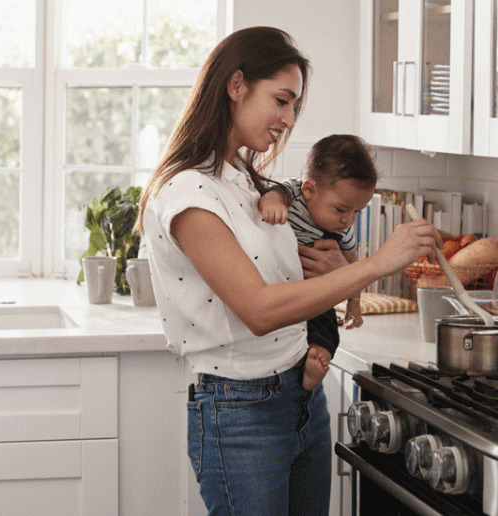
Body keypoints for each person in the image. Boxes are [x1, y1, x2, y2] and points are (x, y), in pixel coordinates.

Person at [134, 26, 440, 516]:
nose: (288, 118)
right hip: (241, 413)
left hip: (300, 396)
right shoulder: (188, 194)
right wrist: (377, 265)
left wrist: (337, 268)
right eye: (281, 100)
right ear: (236, 86)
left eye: (294, 105)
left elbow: (286, 280)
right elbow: (258, 309)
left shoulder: (242, 179)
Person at [259, 134, 378, 389]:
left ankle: (318, 358)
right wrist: (272, 205)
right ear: (309, 189)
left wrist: (354, 303)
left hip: (316, 295)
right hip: (282, 292)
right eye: (341, 209)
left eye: (357, 211)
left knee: (326, 327)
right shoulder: (292, 193)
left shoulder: (342, 228)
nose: (349, 220)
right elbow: (273, 194)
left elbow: (353, 267)